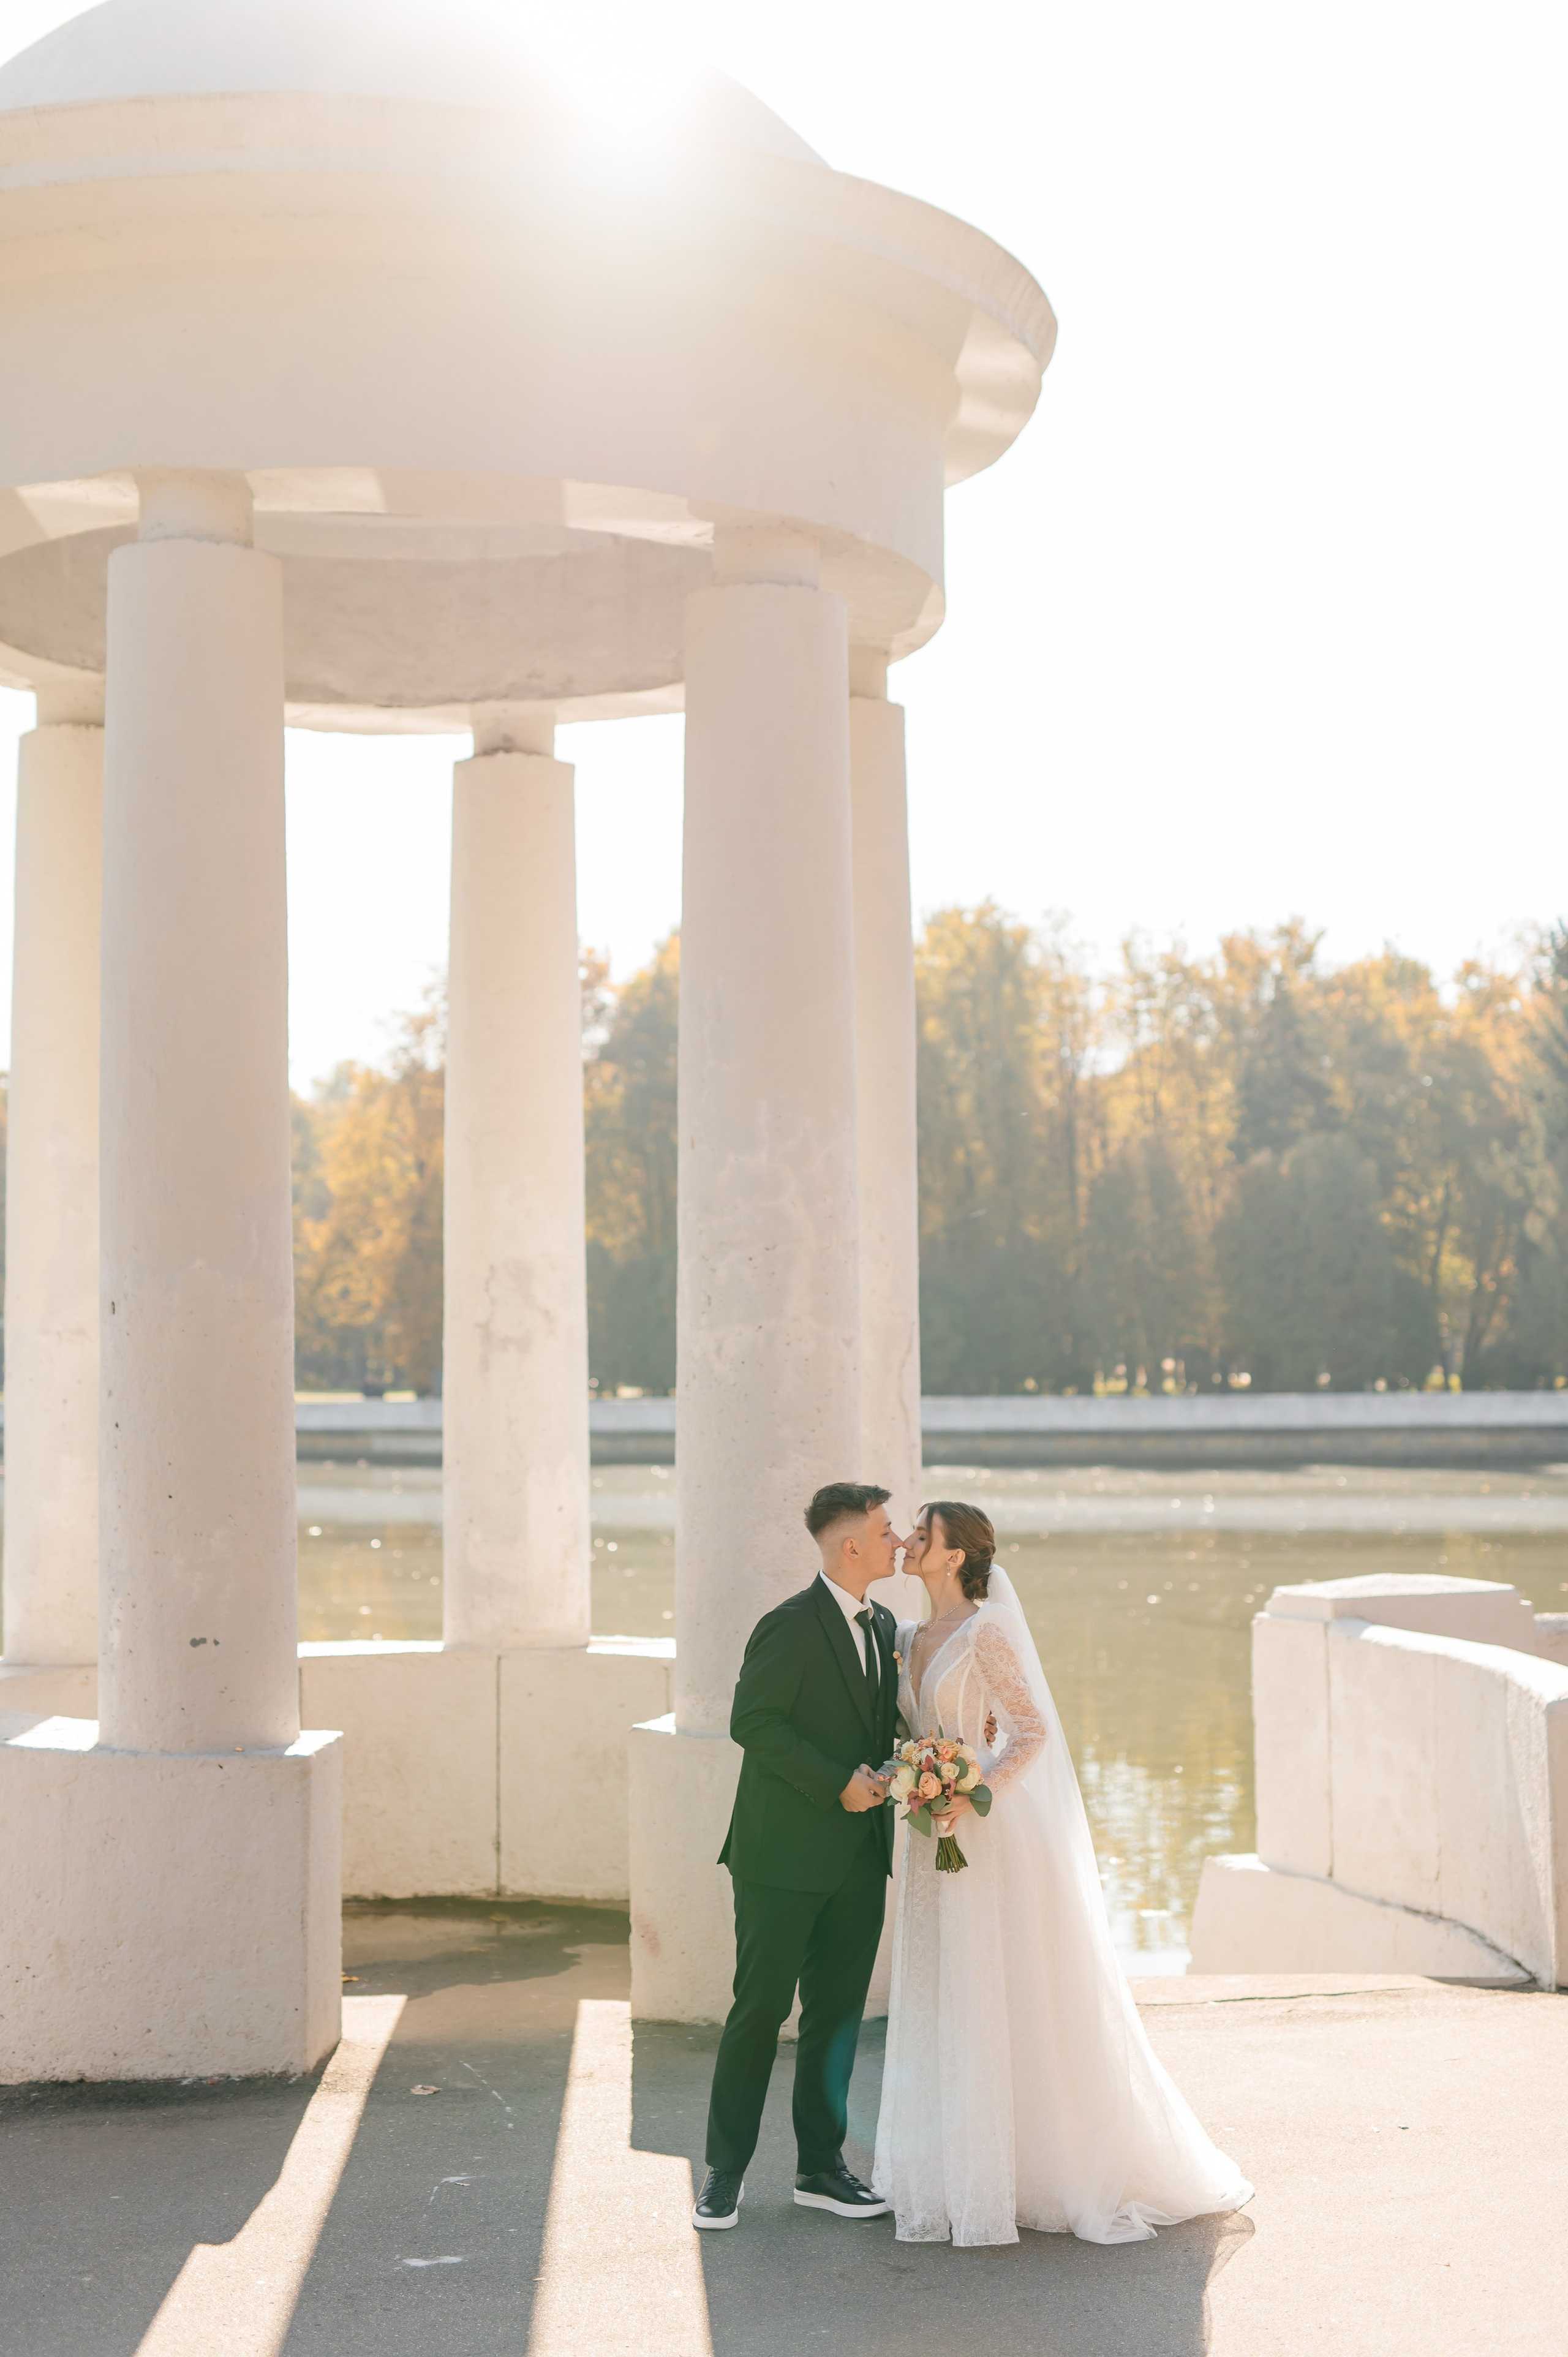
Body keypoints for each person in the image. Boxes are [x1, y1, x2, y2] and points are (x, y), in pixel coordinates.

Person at [873, 1500, 1254, 2247]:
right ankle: (963, 2169)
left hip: (989, 1829)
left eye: (922, 1534)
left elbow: (1030, 1730)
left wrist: (970, 1788)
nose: (908, 1542)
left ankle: (1038, 2169)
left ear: (954, 1555)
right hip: (930, 1833)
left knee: (1003, 1989)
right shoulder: (907, 1636)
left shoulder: (986, 1629)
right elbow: (912, 1729)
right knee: (948, 1991)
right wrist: (917, 1780)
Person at [693, 1481, 903, 2230]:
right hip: (780, 1858)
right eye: (886, 1530)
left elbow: (878, 1723)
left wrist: (905, 1764)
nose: (897, 1540)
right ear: (852, 1544)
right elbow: (754, 1721)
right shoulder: (788, 1624)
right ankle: (723, 2172)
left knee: (836, 2017)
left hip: (860, 1857)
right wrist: (837, 1781)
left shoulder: (884, 1624)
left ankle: (820, 2168)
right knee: (759, 2010)